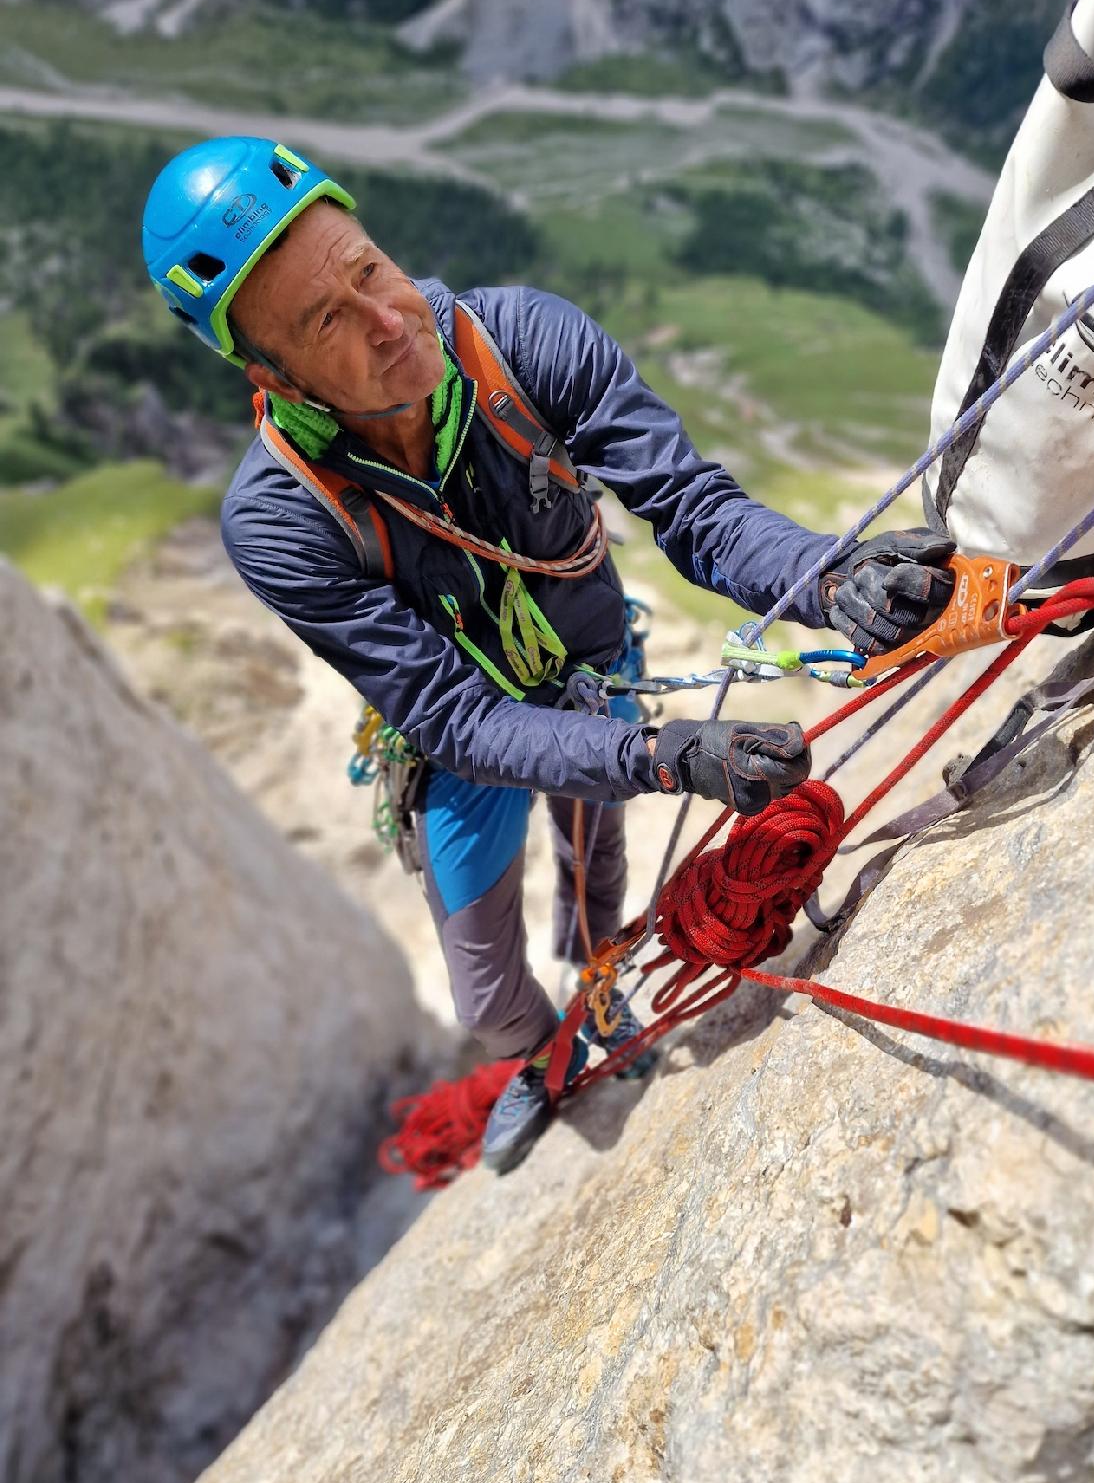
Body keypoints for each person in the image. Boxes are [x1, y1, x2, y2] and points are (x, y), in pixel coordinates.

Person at [141, 136, 956, 1172]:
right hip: (460, 739)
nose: (388, 324)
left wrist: (832, 582)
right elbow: (457, 721)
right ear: (268, 372)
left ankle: (600, 984)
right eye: (326, 322)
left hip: (591, 670)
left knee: (594, 874)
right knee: (484, 992)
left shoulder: (521, 341)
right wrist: (664, 757)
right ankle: (544, 1055)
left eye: (368, 270)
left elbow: (694, 511)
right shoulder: (282, 520)